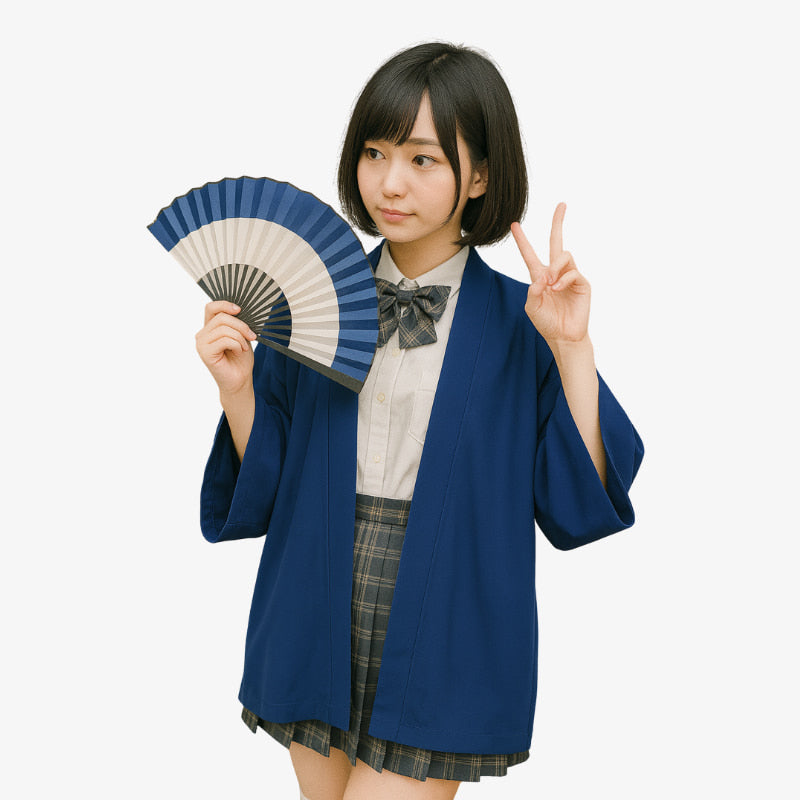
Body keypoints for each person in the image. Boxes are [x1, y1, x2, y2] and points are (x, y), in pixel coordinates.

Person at [195, 42, 644, 800]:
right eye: (374, 152)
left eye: (422, 159)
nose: (389, 182)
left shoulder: (516, 323)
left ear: (479, 176)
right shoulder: (310, 306)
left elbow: (577, 504)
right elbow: (267, 491)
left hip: (451, 610)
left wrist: (572, 347)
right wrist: (237, 389)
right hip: (314, 593)